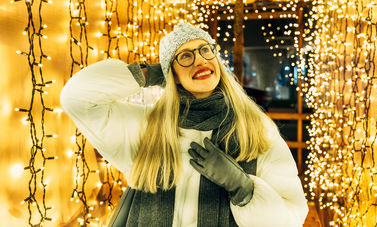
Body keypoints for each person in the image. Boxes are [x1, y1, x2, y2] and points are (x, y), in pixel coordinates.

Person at [60, 23, 309, 227]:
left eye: (205, 50)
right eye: (185, 56)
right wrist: (154, 74)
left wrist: (242, 187)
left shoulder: (255, 129)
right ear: (173, 75)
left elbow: (291, 219)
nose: (200, 61)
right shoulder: (146, 127)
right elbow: (77, 97)